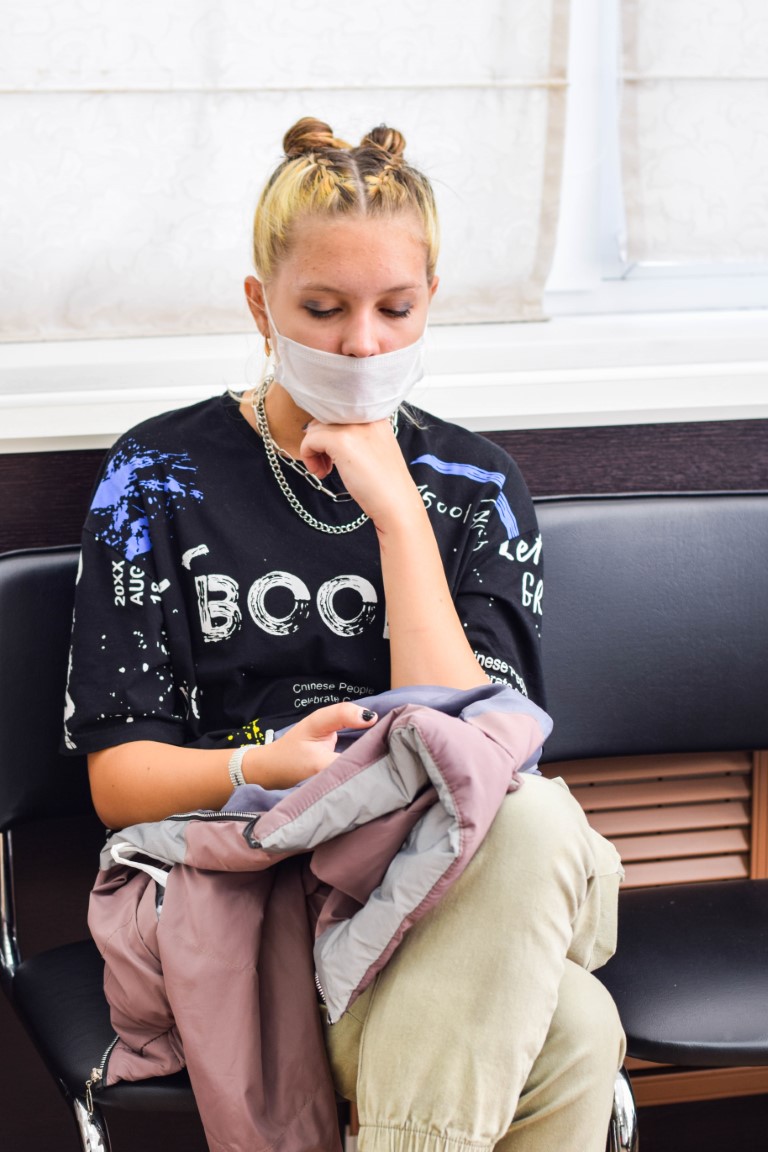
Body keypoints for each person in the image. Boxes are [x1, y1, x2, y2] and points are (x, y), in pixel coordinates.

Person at [64, 117, 625, 1151]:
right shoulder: (159, 475)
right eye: (322, 310)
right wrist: (264, 763)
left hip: (449, 876)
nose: (363, 343)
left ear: (431, 303)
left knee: (530, 822)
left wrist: (398, 514)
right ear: (260, 305)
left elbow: (485, 756)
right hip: (255, 894)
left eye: (394, 308)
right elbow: (120, 780)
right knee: (576, 1026)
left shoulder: (473, 484)